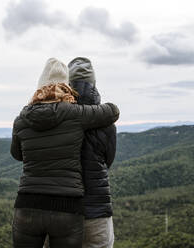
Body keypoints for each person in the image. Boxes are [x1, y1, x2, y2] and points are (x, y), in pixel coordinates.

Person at [10, 58, 119, 248]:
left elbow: (17, 155)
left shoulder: (21, 118)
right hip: (70, 206)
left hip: (27, 203)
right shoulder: (74, 114)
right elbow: (112, 111)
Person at [68, 57, 116, 248]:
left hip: (64, 211)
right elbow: (108, 161)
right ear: (94, 84)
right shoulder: (106, 121)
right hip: (97, 210)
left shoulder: (59, 118)